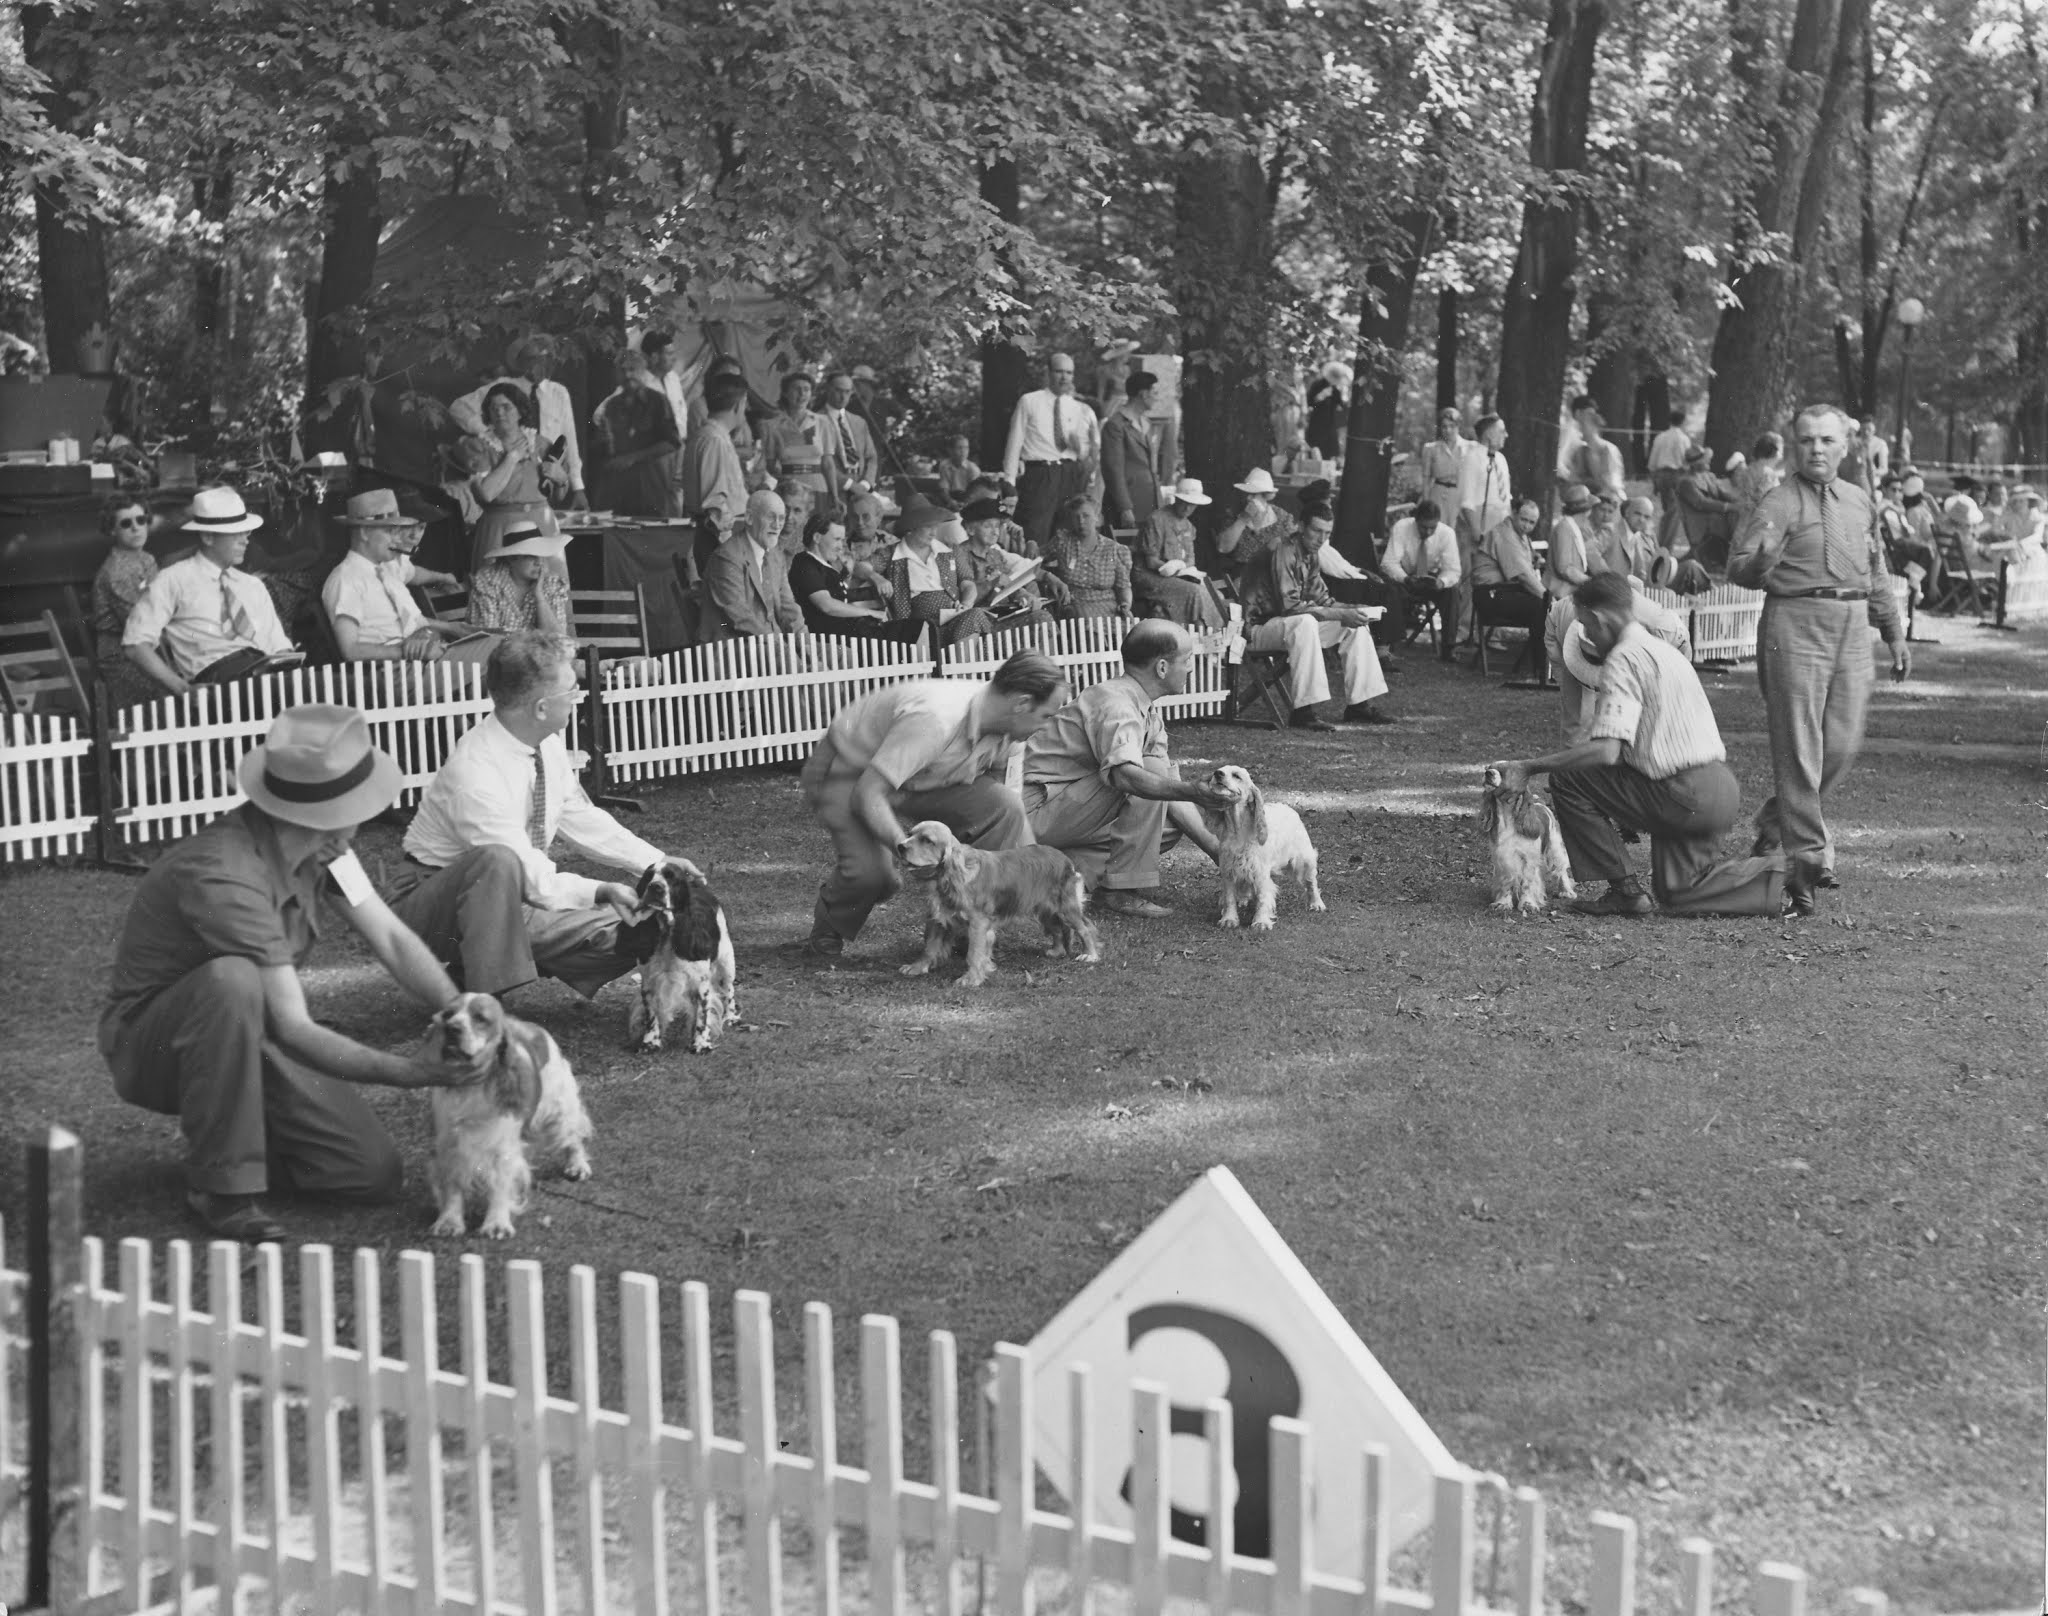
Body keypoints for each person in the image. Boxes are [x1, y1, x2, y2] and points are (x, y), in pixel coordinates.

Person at [101, 704, 490, 1241]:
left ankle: (247, 1140)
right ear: (312, 817)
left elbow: (394, 940)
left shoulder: (324, 846)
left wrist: (459, 1015)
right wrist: (415, 1072)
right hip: (159, 1046)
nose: (358, 822)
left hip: (249, 1032)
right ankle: (222, 1188)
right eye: (351, 809)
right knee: (231, 980)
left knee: (367, 1174)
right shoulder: (225, 872)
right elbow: (293, 1026)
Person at [392, 633, 682, 998]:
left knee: (648, 926)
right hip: (432, 904)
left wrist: (656, 863)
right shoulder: (474, 771)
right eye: (572, 691)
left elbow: (578, 815)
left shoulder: (546, 742)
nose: (577, 699)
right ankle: (480, 1009)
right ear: (542, 708)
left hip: (508, 893)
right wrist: (600, 890)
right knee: (498, 863)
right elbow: (526, 873)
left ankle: (476, 971)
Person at [1489, 573, 1784, 918]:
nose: (1591, 639)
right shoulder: (1666, 653)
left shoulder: (1623, 659)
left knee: (1569, 779)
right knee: (1678, 894)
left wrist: (1530, 767)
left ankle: (1624, 891)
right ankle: (1783, 872)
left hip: (1683, 795)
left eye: (1586, 626)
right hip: (1719, 791)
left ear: (1599, 620)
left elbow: (1605, 752)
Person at [1729, 404, 1910, 916]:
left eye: (1827, 441)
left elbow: (1875, 571)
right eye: (1807, 440)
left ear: (1844, 447)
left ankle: (1774, 820)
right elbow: (1739, 567)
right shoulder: (1780, 500)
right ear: (1795, 444)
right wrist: (1762, 560)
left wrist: (1893, 632)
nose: (1817, 449)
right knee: (1800, 746)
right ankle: (1806, 862)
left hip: (1853, 626)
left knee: (1842, 744)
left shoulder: (1859, 500)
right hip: (1795, 621)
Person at [799, 649, 1070, 955]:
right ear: (1022, 703)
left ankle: (963, 917)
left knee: (1003, 805)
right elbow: (868, 794)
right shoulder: (936, 720)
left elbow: (1014, 815)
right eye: (1046, 715)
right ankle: (830, 925)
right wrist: (909, 851)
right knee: (876, 877)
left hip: (925, 776)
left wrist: (1043, 880)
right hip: (849, 770)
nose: (1047, 726)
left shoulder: (1012, 734)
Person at [1023, 620, 1229, 916]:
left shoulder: (1144, 707)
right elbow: (1127, 776)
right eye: (1187, 661)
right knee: (1150, 776)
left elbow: (1166, 785)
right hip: (1032, 813)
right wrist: (1192, 791)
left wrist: (1217, 850)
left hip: (1065, 812)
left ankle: (1054, 873)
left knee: (1169, 827)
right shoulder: (1116, 703)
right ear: (1161, 667)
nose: (1191, 668)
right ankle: (1120, 892)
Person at [124, 487, 299, 695]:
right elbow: (135, 644)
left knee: (322, 688)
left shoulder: (252, 586)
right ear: (208, 537)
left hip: (266, 676)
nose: (245, 539)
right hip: (219, 684)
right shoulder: (174, 580)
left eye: (246, 531)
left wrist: (290, 668)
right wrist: (183, 689)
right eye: (235, 532)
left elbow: (279, 645)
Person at [1241, 500, 1395, 728]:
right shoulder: (1282, 549)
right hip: (1256, 627)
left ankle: (1360, 705)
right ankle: (1303, 712)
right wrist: (1340, 614)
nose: (1322, 539)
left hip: (1285, 624)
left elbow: (1323, 600)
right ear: (1301, 526)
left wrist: (1355, 610)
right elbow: (1290, 607)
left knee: (1356, 624)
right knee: (1304, 622)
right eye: (1316, 531)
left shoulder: (1311, 553)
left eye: (1327, 533)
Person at [323, 489, 497, 662]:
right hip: (396, 672)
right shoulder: (345, 579)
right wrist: (408, 651)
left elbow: (414, 591)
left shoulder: (387, 571)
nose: (398, 540)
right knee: (497, 655)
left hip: (423, 660)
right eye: (389, 532)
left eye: (398, 532)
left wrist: (439, 632)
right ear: (364, 532)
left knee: (499, 646)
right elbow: (350, 650)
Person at [450, 336, 588, 511]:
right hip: (508, 474)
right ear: (522, 363)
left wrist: (578, 487)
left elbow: (570, 439)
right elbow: (458, 408)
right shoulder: (504, 387)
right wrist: (486, 432)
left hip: (547, 476)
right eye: (534, 361)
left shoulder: (559, 393)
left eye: (546, 360)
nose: (541, 366)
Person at [465, 380, 566, 573]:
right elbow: (486, 494)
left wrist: (561, 479)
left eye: (506, 407)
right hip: (499, 528)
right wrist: (511, 458)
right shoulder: (479, 447)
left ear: (520, 411)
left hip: (541, 526)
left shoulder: (542, 445)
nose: (500, 413)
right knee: (498, 591)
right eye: (493, 408)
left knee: (546, 590)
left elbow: (557, 497)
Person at [1002, 352, 1098, 554]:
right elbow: (1015, 441)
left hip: (1070, 474)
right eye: (1059, 371)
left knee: (1066, 534)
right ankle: (1031, 581)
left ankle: (1060, 582)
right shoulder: (1029, 401)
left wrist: (1079, 447)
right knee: (1035, 533)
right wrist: (1009, 480)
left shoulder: (1078, 408)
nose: (1064, 377)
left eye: (1069, 373)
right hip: (1040, 474)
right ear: (1048, 373)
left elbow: (1085, 453)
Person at [789, 513, 929, 642]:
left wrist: (846, 576)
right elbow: (827, 605)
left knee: (918, 628)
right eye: (837, 539)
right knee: (913, 631)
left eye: (842, 540)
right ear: (817, 538)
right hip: (831, 640)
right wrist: (869, 613)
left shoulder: (826, 566)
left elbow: (838, 597)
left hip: (847, 635)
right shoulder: (805, 563)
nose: (840, 547)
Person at [886, 497, 997, 643]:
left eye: (934, 526)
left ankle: (961, 664)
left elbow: (968, 584)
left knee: (975, 616)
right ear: (911, 528)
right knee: (976, 620)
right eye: (927, 526)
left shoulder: (949, 550)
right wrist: (876, 578)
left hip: (952, 620)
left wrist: (966, 605)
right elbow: (862, 567)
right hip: (919, 630)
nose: (933, 532)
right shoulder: (893, 553)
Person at [589, 349, 681, 517]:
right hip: (621, 492)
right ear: (616, 374)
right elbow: (607, 449)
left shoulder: (658, 401)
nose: (628, 374)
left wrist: (633, 458)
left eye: (633, 369)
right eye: (622, 370)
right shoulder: (612, 406)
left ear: (643, 371)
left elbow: (672, 442)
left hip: (652, 487)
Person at [1469, 499, 1553, 680]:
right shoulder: (1505, 534)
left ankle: (1541, 667)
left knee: (1542, 606)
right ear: (1514, 514)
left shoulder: (1521, 537)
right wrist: (1549, 599)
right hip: (1489, 595)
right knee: (1541, 607)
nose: (1527, 526)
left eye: (1532, 522)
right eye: (1523, 519)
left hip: (1504, 591)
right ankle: (1541, 669)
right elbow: (1523, 576)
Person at [704, 489, 804, 639]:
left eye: (781, 518)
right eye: (771, 517)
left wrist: (806, 644)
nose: (777, 525)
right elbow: (741, 619)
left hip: (773, 646)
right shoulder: (727, 557)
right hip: (736, 648)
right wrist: (785, 652)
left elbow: (788, 608)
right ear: (750, 518)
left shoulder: (776, 555)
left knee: (844, 655)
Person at [683, 372, 753, 582]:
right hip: (721, 541)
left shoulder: (710, 436)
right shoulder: (714, 440)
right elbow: (715, 506)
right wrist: (733, 550)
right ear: (739, 405)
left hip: (720, 538)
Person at [91, 496, 161, 703]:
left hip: (149, 646)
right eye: (125, 523)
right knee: (170, 699)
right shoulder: (117, 572)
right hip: (123, 657)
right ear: (112, 530)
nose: (136, 528)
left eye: (141, 520)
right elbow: (142, 623)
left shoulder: (146, 559)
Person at [1132, 477, 1223, 629]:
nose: (1188, 508)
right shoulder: (1157, 519)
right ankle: (1204, 635)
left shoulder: (1189, 526)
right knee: (1195, 593)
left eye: (1192, 504)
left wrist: (1187, 571)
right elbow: (1151, 562)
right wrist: (1174, 568)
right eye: (1185, 503)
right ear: (1176, 499)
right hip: (1150, 577)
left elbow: (1190, 560)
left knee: (1216, 595)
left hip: (1179, 577)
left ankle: (1211, 638)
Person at [954, 501, 1059, 628]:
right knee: (1042, 619)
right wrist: (992, 584)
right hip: (978, 623)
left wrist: (1024, 595)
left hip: (1002, 615)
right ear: (970, 529)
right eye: (988, 526)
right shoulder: (959, 555)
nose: (995, 532)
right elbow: (961, 598)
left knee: (1042, 615)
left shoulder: (994, 554)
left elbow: (1007, 585)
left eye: (997, 526)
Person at [1380, 497, 1462, 659]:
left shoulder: (1446, 534)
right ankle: (1391, 646)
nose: (1429, 532)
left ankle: (1448, 648)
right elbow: (1389, 563)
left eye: (1433, 527)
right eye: (1424, 528)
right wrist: (1405, 578)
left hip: (1431, 580)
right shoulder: (1402, 528)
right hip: (1405, 578)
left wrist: (1442, 581)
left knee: (1452, 592)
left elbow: (1453, 570)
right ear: (1415, 520)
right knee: (1391, 590)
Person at [469, 522, 577, 641]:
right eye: (531, 556)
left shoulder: (551, 583)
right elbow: (486, 637)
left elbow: (558, 640)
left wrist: (539, 597)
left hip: (540, 657)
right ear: (511, 558)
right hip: (498, 657)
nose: (538, 562)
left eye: (541, 554)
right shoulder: (489, 582)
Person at [761, 373, 839, 512]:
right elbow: (770, 465)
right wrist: (786, 480)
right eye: (796, 389)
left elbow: (828, 464)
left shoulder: (823, 422)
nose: (802, 394)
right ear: (785, 393)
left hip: (818, 487)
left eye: (806, 389)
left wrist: (835, 495)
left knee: (816, 528)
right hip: (788, 489)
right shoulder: (772, 426)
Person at [1045, 495, 1133, 618]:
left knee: (1129, 630)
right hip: (1073, 606)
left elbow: (1123, 587)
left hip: (1108, 608)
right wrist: (1031, 545)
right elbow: (1035, 560)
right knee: (1086, 623)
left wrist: (1125, 603)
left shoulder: (1114, 549)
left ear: (1098, 518)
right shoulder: (1062, 542)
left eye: (1086, 516)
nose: (1081, 521)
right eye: (1076, 517)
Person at [1100, 370, 1163, 531]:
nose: (1157, 397)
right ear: (1143, 394)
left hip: (1150, 501)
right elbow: (1113, 470)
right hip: (1128, 504)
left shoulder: (1147, 422)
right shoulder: (1115, 425)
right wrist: (1125, 507)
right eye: (1154, 392)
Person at [1213, 467, 1297, 580]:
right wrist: (1243, 519)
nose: (1248, 498)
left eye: (1253, 494)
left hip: (1274, 576)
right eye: (1246, 493)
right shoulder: (1234, 514)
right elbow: (1223, 548)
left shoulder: (1282, 518)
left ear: (1266, 496)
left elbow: (1293, 553)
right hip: (1241, 577)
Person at [1675, 446, 1738, 572]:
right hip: (1700, 521)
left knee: (1735, 515)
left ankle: (1736, 554)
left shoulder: (1709, 476)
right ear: (1696, 464)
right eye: (1706, 460)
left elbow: (1723, 494)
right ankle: (1734, 554)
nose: (1709, 461)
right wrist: (1728, 507)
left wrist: (1740, 501)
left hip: (1714, 516)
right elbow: (1701, 503)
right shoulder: (1686, 482)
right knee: (1726, 518)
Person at [819, 369, 879, 495]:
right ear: (828, 389)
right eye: (838, 391)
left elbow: (871, 456)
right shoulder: (816, 420)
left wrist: (866, 483)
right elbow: (819, 460)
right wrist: (849, 484)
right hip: (833, 486)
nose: (843, 397)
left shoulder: (859, 422)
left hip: (861, 485)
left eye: (847, 392)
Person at [1564, 395, 1625, 502]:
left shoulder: (1608, 449)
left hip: (1610, 500)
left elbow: (1612, 483)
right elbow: (1575, 478)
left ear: (1594, 427)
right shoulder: (1581, 451)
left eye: (1583, 426)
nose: (1580, 430)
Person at [1417, 409, 1468, 532]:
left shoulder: (1469, 448)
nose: (1448, 430)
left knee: (1457, 534)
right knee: (1436, 531)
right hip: (1438, 494)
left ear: (1458, 426)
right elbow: (1426, 477)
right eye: (1444, 426)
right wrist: (1426, 503)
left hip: (1459, 495)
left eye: (1452, 426)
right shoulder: (1431, 448)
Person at [1647, 408, 1693, 545]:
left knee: (1669, 510)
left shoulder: (1660, 437)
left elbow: (1652, 462)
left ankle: (1662, 542)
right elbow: (1687, 461)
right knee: (1673, 512)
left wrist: (1654, 479)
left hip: (1661, 475)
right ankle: (1665, 545)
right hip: (1677, 475)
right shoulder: (1684, 439)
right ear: (1683, 422)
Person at [1545, 483, 1599, 598]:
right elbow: (1564, 568)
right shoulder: (1564, 528)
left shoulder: (1574, 527)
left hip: (1568, 593)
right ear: (1586, 510)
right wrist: (1590, 582)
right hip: (1559, 594)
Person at [1729, 432, 1785, 529]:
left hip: (1743, 524)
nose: (1781, 456)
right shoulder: (1769, 475)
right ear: (1774, 451)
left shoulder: (1748, 469)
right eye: (1781, 451)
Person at [1304, 361, 1349, 460]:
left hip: (1329, 422)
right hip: (1317, 421)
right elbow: (1310, 403)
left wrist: (1342, 393)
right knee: (1315, 447)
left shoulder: (1335, 389)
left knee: (1329, 449)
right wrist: (1320, 397)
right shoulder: (1317, 384)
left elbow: (1340, 405)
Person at [937, 435, 981, 507]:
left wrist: (963, 504)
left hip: (968, 499)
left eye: (966, 448)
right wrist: (950, 501)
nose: (963, 451)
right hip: (951, 497)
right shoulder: (944, 465)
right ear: (950, 450)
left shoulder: (973, 469)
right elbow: (944, 488)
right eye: (959, 448)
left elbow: (975, 493)